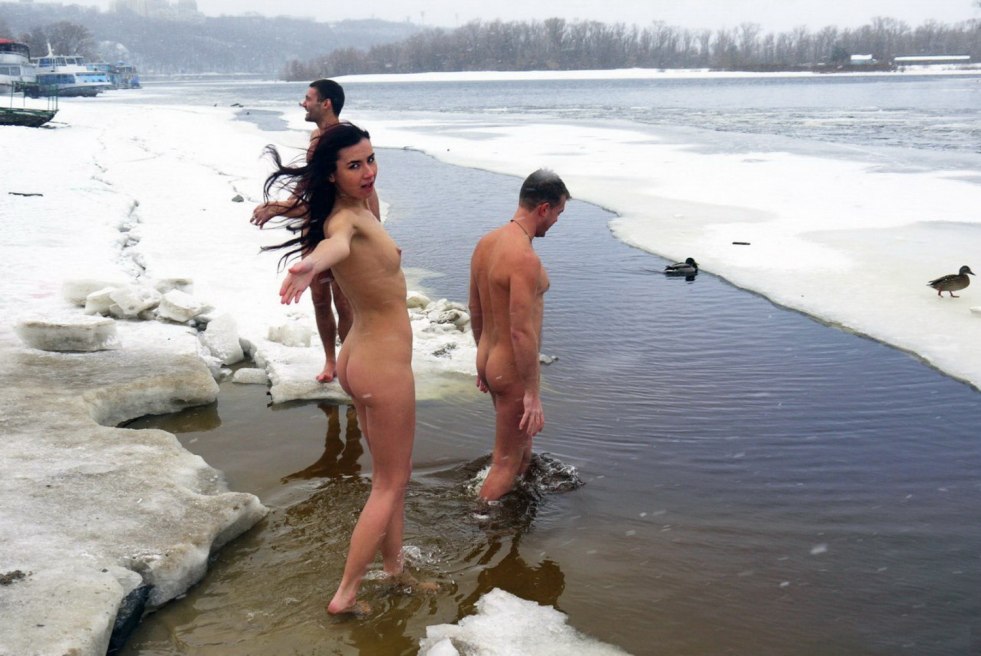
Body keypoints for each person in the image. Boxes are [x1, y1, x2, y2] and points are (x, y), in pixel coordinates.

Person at [267, 122, 415, 615]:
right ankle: (346, 595)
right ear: (332, 174)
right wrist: (311, 264)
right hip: (381, 362)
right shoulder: (344, 219)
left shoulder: (357, 206)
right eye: (354, 165)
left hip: (361, 354)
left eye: (370, 159)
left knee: (389, 479)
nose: (368, 171)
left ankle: (394, 569)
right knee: (390, 483)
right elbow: (338, 245)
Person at [253, 79, 380, 383]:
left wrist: (377, 232)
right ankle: (330, 361)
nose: (303, 103)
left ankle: (350, 361)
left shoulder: (346, 140)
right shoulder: (315, 138)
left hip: (340, 227)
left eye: (308, 98)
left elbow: (367, 189)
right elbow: (309, 186)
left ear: (326, 104)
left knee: (343, 301)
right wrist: (284, 204)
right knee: (320, 299)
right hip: (314, 227)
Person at [468, 169, 570, 501]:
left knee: (522, 453)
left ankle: (511, 517)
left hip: (489, 357)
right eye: (558, 213)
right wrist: (532, 394)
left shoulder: (486, 243)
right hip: (511, 368)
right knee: (506, 463)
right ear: (543, 208)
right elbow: (521, 331)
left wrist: (482, 362)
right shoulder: (524, 258)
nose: (556, 221)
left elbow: (475, 308)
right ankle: (481, 522)